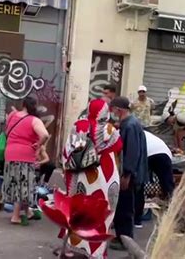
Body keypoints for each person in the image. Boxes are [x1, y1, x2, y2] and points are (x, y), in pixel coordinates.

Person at [61, 99, 123, 258]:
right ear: (105, 112)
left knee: (78, 211)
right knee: (101, 214)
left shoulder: (78, 126)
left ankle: (72, 247)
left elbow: (67, 152)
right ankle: (96, 252)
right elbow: (116, 151)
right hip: (103, 178)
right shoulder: (109, 130)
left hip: (80, 175)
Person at [109, 97, 148, 250]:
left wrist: (127, 175)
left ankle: (124, 239)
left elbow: (131, 152)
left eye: (113, 109)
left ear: (119, 109)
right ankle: (122, 236)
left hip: (129, 174)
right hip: (129, 172)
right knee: (122, 206)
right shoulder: (129, 123)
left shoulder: (130, 126)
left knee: (124, 207)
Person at [2, 96, 49, 225]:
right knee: (23, 185)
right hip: (25, 155)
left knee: (16, 183)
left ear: (23, 104)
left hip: (10, 153)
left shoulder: (13, 115)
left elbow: (7, 131)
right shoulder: (34, 120)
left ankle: (28, 212)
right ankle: (15, 216)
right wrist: (39, 144)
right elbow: (44, 135)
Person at [134, 131, 175, 228]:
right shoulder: (139, 130)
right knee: (168, 187)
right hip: (164, 153)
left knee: (138, 184)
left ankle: (137, 219)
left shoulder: (126, 130)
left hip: (150, 153)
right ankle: (175, 216)